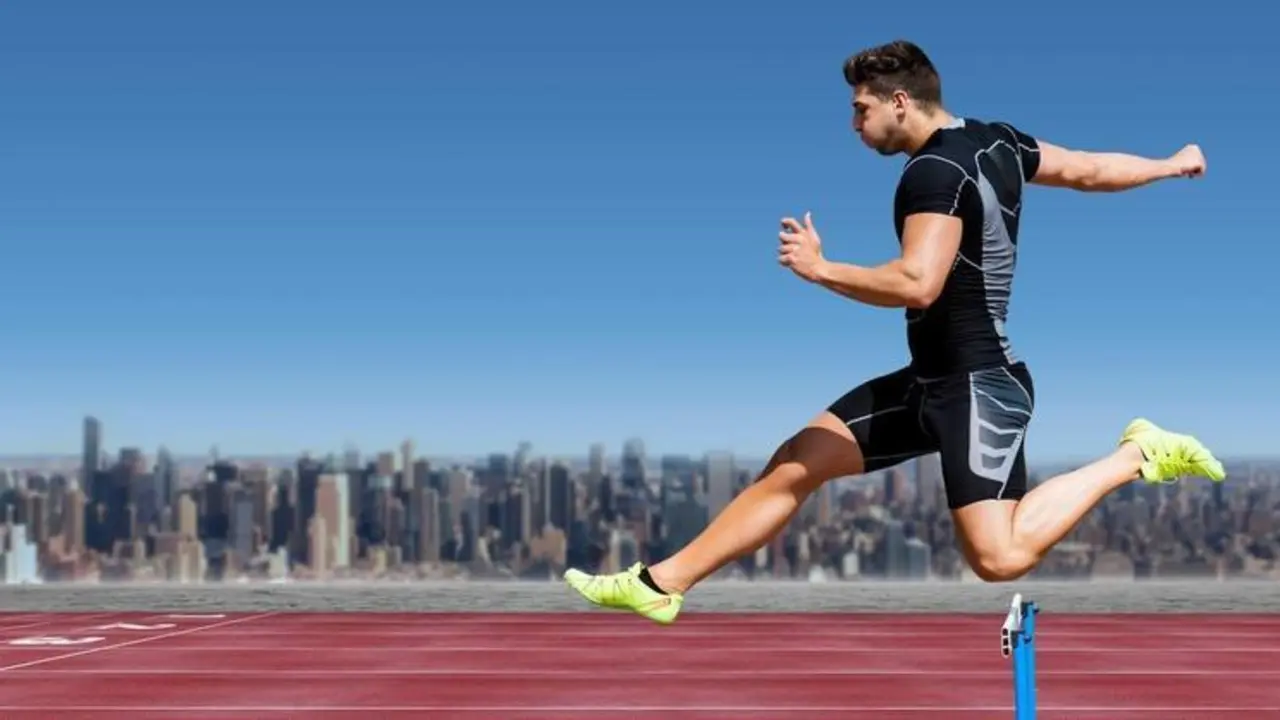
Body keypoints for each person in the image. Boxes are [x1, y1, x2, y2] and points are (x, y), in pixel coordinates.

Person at [563, 39, 1224, 624]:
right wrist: (1169, 164)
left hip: (979, 387)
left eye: (861, 110)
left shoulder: (932, 172)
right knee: (799, 459)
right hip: (929, 382)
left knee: (999, 557)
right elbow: (1085, 169)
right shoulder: (1000, 142)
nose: (854, 124)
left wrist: (821, 270)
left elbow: (918, 283)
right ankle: (660, 584)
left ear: (899, 101)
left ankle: (1137, 454)